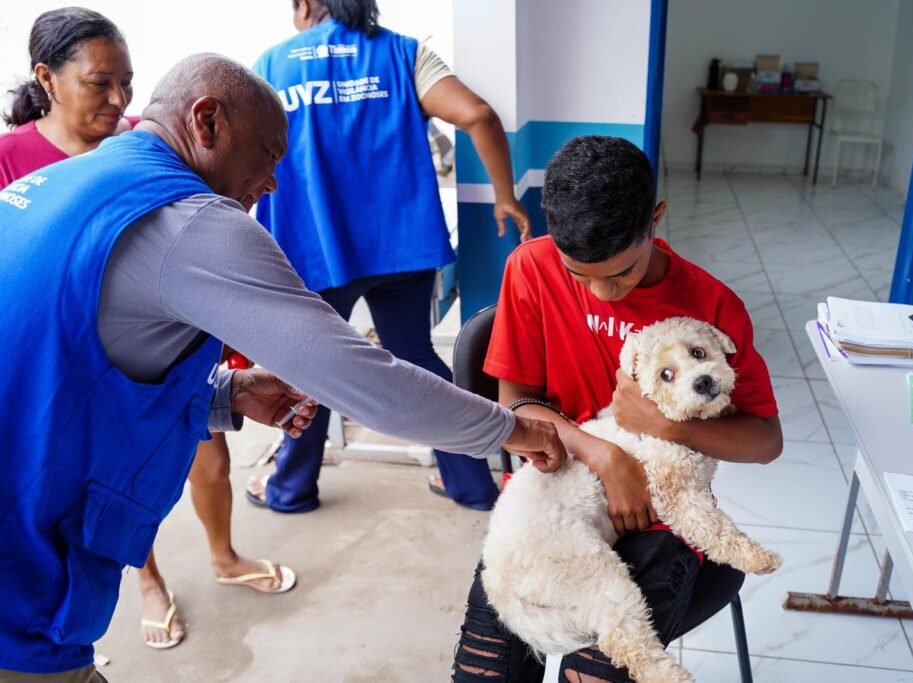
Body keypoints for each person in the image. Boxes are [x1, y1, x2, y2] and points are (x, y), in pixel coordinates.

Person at [0, 53, 565, 681]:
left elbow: (70, 359)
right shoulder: (191, 220)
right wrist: (524, 432)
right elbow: (366, 380)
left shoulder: (68, 179)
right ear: (206, 121)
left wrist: (223, 392)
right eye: (269, 154)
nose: (272, 182)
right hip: (17, 566)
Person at [0, 8, 296, 654]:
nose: (118, 100)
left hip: (168, 354)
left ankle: (222, 553)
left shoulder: (145, 148)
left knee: (201, 455)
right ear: (47, 78)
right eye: (100, 83)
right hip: (69, 379)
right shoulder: (14, 160)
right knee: (97, 495)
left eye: (128, 84)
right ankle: (149, 582)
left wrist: (224, 388)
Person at [451, 136, 783, 682]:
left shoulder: (712, 305)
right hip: (558, 500)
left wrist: (660, 425)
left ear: (656, 219)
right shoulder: (531, 269)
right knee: (486, 664)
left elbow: (766, 440)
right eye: (580, 274)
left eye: (622, 273)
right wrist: (605, 456)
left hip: (662, 514)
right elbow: (515, 403)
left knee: (602, 667)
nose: (603, 292)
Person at [246, 0, 531, 514]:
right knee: (416, 359)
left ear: (307, 4)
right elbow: (478, 115)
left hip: (312, 252)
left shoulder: (270, 66)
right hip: (402, 245)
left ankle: (291, 490)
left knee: (311, 370)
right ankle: (470, 484)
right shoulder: (403, 54)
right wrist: (505, 196)